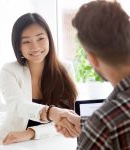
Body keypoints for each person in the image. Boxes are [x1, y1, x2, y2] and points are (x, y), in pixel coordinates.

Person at [0, 13, 79, 147]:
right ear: (18, 46)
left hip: (51, 144)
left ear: (49, 39)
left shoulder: (66, 69)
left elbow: (67, 120)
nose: (35, 47)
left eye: (40, 38)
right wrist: (51, 112)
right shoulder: (9, 70)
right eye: (26, 41)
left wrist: (31, 132)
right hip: (10, 143)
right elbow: (18, 105)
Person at [55, 0, 130, 149]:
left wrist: (93, 126)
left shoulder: (103, 126)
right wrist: (84, 123)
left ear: (92, 59)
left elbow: (109, 123)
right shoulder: (104, 123)